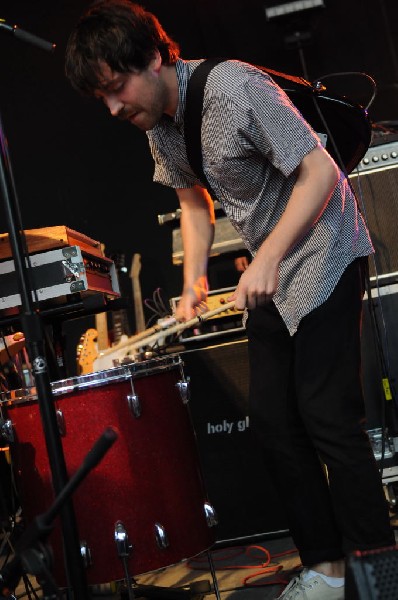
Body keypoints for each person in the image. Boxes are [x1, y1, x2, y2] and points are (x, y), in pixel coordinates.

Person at [65, 2, 395, 598]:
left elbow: (320, 172)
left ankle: (380, 574)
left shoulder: (235, 88)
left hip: (324, 246)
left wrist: (266, 258)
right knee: (271, 422)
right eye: (102, 99)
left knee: (328, 418)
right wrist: (194, 282)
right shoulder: (160, 127)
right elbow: (194, 203)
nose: (114, 108)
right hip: (274, 267)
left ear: (154, 57)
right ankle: (327, 570)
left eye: (117, 88)